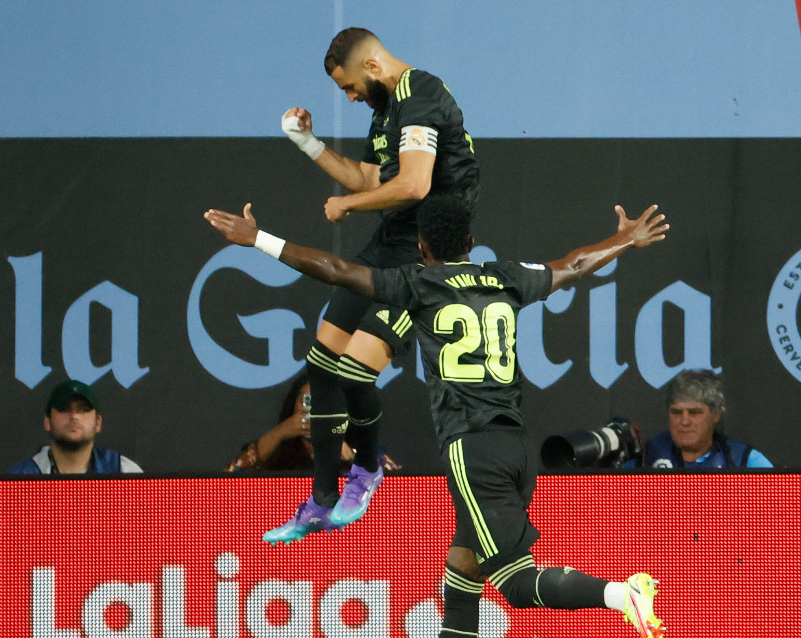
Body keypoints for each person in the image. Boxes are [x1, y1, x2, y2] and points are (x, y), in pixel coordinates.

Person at [205, 195, 669, 637]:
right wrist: (626, 239)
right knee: (462, 573)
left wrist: (259, 238)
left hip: (473, 449)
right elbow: (573, 265)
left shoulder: (416, 283)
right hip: (514, 446)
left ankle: (621, 594)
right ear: (470, 243)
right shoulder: (505, 276)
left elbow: (335, 269)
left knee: (515, 585)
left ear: (422, 247)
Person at [272, 27, 480, 533]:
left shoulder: (421, 94)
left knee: (353, 373)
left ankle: (366, 469)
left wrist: (346, 206)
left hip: (422, 258)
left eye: (349, 87)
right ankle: (321, 499)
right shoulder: (387, 110)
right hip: (387, 245)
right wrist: (307, 143)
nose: (349, 97)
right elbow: (372, 177)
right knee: (320, 364)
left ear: (371, 65)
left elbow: (414, 184)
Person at [224, 374, 401, 473]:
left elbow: (398, 486)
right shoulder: (274, 450)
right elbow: (228, 478)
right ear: (293, 406)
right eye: (307, 402)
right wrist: (278, 434)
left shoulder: (363, 449)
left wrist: (351, 458)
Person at [640, 369, 773, 469]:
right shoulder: (646, 456)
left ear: (716, 414)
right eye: (676, 412)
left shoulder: (742, 459)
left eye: (694, 413)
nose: (684, 421)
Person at [8, 380, 143, 475]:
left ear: (98, 423)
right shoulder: (21, 477)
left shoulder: (124, 471)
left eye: (83, 410)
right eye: (64, 409)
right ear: (47, 422)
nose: (74, 416)